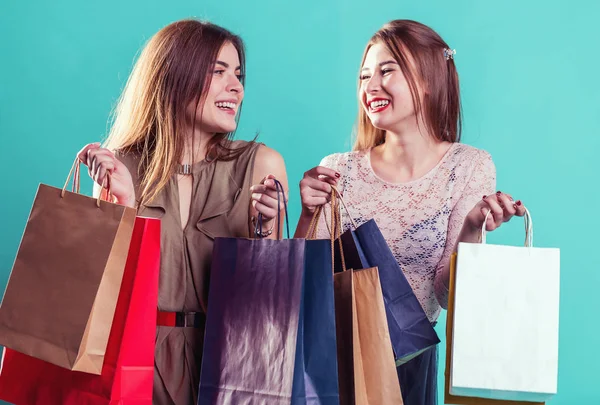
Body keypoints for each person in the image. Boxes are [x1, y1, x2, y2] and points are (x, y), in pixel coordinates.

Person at [295, 19, 525, 405]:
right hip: (332, 354)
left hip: (410, 361)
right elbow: (302, 284)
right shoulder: (340, 168)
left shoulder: (468, 166)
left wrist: (472, 229)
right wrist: (305, 215)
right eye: (364, 76)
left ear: (428, 79)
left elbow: (448, 296)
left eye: (387, 71)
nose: (370, 87)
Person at [78, 19, 288, 405]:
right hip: (138, 362)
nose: (236, 88)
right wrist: (124, 205)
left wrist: (266, 230)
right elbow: (106, 296)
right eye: (218, 72)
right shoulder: (123, 166)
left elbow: (271, 303)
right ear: (175, 76)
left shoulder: (262, 164)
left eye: (238, 75)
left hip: (234, 365)